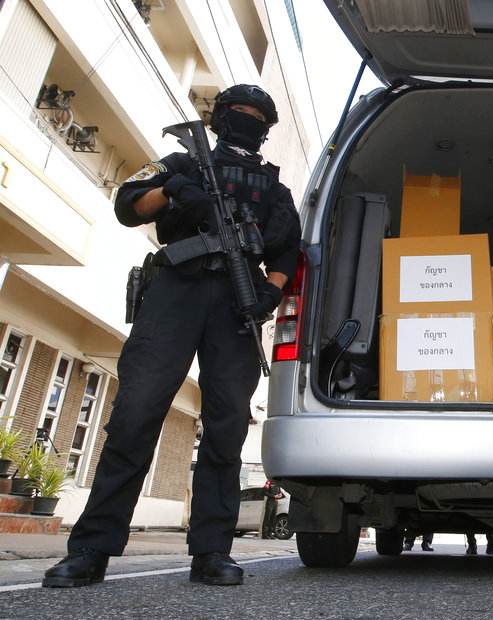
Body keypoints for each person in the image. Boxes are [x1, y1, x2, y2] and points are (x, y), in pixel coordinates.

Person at [42, 85, 301, 588]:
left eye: (255, 116)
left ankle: (211, 551)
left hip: (237, 304)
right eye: (238, 113)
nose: (245, 121)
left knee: (226, 429)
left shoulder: (273, 187)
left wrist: (267, 297)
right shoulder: (183, 160)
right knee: (135, 414)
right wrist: (175, 189)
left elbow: (287, 253)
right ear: (220, 118)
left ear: (266, 128)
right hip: (175, 291)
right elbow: (129, 205)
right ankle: (92, 547)